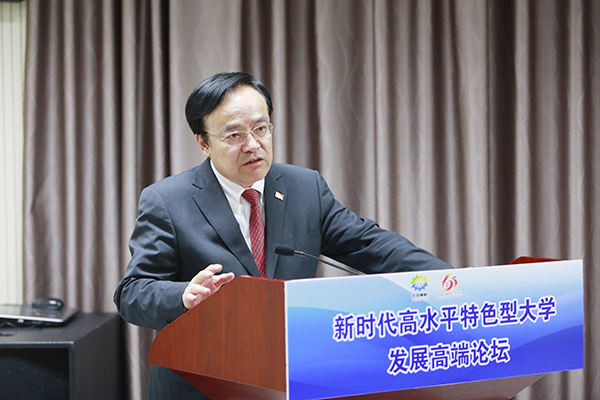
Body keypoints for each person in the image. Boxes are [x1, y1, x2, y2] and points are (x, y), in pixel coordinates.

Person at [114, 71, 453, 399]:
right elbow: (132, 293)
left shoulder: (304, 188)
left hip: (288, 381)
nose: (253, 145)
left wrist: (453, 282)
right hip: (203, 385)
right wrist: (185, 295)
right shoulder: (168, 200)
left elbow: (373, 246)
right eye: (234, 135)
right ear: (203, 143)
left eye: (261, 128)